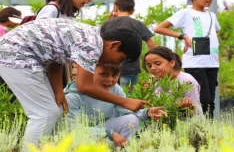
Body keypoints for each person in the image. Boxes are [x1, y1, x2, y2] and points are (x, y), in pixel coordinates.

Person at [0, 18, 151, 150]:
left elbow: (56, 59)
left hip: (17, 52)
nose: (118, 63)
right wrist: (125, 101)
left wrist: (59, 92)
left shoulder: (91, 35)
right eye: (121, 58)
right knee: (44, 113)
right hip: (15, 54)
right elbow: (84, 86)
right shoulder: (92, 45)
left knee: (54, 111)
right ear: (114, 45)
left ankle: (51, 148)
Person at [154, 0, 220, 118]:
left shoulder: (211, 15)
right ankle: (200, 129)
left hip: (212, 63)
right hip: (195, 63)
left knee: (210, 101)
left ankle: (210, 129)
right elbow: (159, 28)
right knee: (202, 99)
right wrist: (183, 36)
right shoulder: (185, 13)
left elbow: (216, 32)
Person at [64, 63, 167, 148]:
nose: (109, 80)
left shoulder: (115, 88)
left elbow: (127, 109)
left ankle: (117, 149)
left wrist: (147, 112)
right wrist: (109, 133)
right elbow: (73, 130)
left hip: (102, 127)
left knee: (132, 120)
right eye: (104, 74)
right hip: (80, 135)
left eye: (114, 76)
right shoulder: (72, 96)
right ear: (89, 72)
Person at [101, 0, 157, 90]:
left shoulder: (107, 23)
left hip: (109, 68)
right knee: (129, 96)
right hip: (130, 68)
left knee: (110, 93)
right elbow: (151, 45)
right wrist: (155, 63)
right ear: (132, 10)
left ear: (116, 7)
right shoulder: (136, 24)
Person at [143, 46, 203, 117]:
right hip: (162, 122)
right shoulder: (153, 79)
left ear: (172, 63)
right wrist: (144, 93)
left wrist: (185, 108)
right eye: (149, 65)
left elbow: (194, 112)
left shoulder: (187, 81)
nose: (152, 68)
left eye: (158, 63)